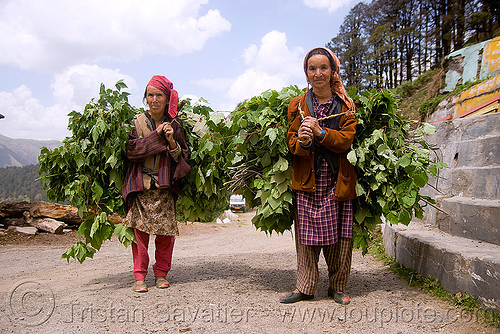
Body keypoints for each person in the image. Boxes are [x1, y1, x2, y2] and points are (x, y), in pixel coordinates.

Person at [280, 47, 357, 305]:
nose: (318, 73)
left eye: (323, 68)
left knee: (341, 237)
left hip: (337, 181)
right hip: (308, 180)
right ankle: (305, 287)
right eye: (312, 69)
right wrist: (302, 142)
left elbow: (346, 140)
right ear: (306, 74)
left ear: (333, 71)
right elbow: (292, 141)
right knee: (306, 238)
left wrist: (320, 133)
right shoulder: (299, 105)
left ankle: (338, 287)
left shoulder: (345, 106)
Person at [122, 75, 191, 293]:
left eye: (158, 95)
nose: (154, 99)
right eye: (150, 95)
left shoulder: (175, 124)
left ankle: (161, 273)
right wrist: (156, 136)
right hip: (142, 188)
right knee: (139, 236)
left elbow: (182, 156)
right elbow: (132, 150)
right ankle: (139, 276)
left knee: (165, 235)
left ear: (166, 97)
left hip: (164, 188)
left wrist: (171, 140)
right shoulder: (137, 121)